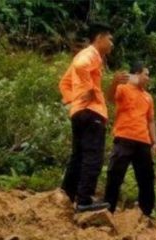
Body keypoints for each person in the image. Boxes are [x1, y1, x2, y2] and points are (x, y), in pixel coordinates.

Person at [59, 23, 127, 213]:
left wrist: (73, 99)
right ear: (99, 38)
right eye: (110, 38)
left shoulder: (85, 56)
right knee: (93, 157)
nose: (112, 43)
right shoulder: (90, 55)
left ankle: (66, 195)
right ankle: (84, 200)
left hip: (79, 111)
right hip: (92, 113)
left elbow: (63, 83)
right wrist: (88, 89)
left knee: (78, 156)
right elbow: (81, 67)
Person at [103, 62, 156, 216]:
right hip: (124, 137)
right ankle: (108, 209)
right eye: (146, 74)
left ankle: (146, 212)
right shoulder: (123, 88)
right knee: (115, 174)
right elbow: (110, 99)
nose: (148, 78)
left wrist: (154, 142)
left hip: (143, 141)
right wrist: (115, 81)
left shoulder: (148, 97)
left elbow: (151, 120)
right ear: (137, 74)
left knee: (146, 178)